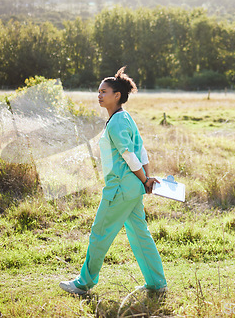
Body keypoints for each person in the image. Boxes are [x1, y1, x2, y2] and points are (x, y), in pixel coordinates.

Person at [59, 66, 167, 296]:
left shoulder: (117, 121)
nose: (99, 95)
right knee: (140, 235)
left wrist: (146, 178)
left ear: (117, 95)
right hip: (133, 189)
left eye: (103, 91)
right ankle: (157, 283)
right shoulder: (125, 118)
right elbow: (142, 151)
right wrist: (145, 179)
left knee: (100, 232)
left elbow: (130, 156)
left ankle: (83, 284)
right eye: (98, 91)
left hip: (119, 189)